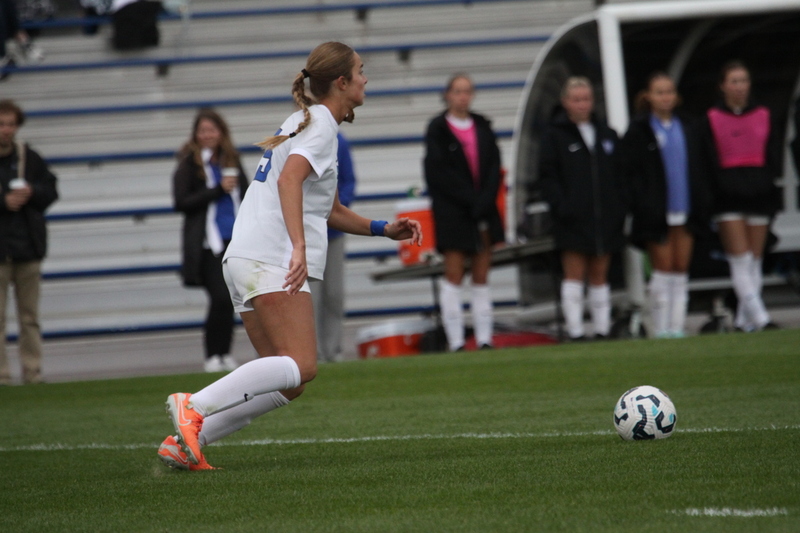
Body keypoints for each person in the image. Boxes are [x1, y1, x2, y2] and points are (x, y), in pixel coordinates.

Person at [159, 42, 422, 471]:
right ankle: (194, 405)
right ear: (342, 82)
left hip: (244, 258)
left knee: (289, 379)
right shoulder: (320, 127)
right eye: (360, 70)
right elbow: (289, 182)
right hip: (269, 258)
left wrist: (382, 229)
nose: (366, 78)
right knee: (302, 365)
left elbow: (330, 210)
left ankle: (187, 440)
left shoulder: (307, 121)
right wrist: (299, 247)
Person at [538, 76, 626, 341]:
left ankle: (602, 329)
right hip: (572, 219)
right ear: (565, 102)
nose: (582, 104)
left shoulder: (606, 133)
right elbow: (548, 177)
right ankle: (575, 331)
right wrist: (563, 208)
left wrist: (617, 208)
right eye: (576, 99)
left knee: (600, 274)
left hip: (604, 218)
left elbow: (620, 175)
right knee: (574, 274)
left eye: (586, 98)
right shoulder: (554, 136)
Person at [622, 72, 709, 338]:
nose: (665, 97)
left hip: (684, 208)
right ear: (648, 96)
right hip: (655, 212)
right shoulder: (639, 130)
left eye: (669, 91)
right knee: (663, 268)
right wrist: (642, 202)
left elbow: (700, 166)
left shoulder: (689, 126)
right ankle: (661, 328)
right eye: (659, 92)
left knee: (681, 268)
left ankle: (677, 325)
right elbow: (629, 172)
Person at [423, 73, 503, 351]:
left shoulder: (482, 126)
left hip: (482, 211)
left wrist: (484, 200)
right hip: (453, 214)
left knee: (481, 277)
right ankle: (456, 341)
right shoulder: (437, 129)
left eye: (467, 91)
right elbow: (438, 173)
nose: (462, 97)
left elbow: (494, 167)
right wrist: (469, 199)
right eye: (457, 91)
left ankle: (484, 339)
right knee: (454, 275)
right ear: (447, 94)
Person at [703, 60, 781, 332]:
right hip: (728, 197)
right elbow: (710, 161)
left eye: (743, 80)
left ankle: (743, 321)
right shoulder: (712, 118)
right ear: (723, 86)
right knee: (740, 259)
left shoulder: (764, 114)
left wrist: (766, 183)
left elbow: (772, 157)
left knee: (755, 260)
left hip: (759, 193)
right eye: (733, 81)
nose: (739, 87)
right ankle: (761, 318)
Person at [172, 108, 248, 373]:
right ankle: (212, 355)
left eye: (212, 130)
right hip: (207, 245)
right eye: (202, 131)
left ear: (221, 132)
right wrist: (216, 190)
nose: (207, 135)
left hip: (234, 241)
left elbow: (248, 195)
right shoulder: (189, 164)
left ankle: (225, 353)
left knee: (231, 299)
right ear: (196, 134)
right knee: (220, 298)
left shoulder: (232, 160)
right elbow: (181, 202)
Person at [0, 99, 58, 385]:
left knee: (29, 318)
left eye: (10, 124)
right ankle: (2, 375)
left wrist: (31, 192)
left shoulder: (29, 157)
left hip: (27, 249)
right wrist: (3, 201)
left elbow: (51, 190)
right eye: (1, 124)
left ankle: (32, 372)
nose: (6, 130)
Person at [310, 132, 356, 363]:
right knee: (311, 297)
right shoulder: (295, 138)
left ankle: (334, 350)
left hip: (333, 233)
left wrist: (335, 209)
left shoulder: (339, 141)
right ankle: (313, 352)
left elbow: (348, 181)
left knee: (334, 293)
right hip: (306, 234)